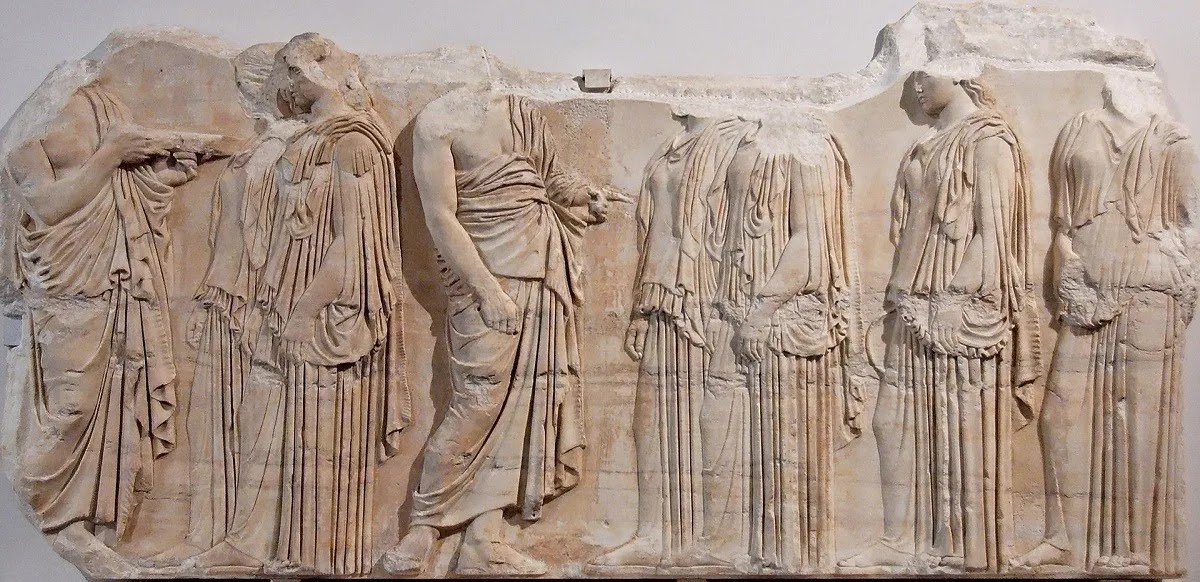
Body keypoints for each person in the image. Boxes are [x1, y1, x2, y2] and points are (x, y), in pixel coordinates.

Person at [381, 88, 628, 576]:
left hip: (540, 271)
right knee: (478, 401)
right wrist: (487, 290)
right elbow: (439, 214)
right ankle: (423, 527)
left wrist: (584, 194)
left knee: (527, 406)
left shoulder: (518, 111)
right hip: (483, 279)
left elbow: (551, 176)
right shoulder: (438, 121)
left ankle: (483, 540)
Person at [192, 33, 409, 576]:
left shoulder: (355, 144)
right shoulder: (307, 141)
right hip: (282, 303)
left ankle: (315, 556)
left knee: (316, 436)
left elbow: (354, 244)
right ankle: (250, 543)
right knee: (260, 419)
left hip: (324, 314)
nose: (284, 84)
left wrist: (306, 311)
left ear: (317, 70)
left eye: (290, 71)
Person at [5, 83, 221, 567]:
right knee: (73, 406)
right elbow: (47, 206)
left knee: (120, 397)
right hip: (67, 283)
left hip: (118, 277)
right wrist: (113, 152)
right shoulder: (32, 131)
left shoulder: (103, 101)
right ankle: (57, 515)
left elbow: (118, 190)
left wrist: (161, 181)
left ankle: (98, 522)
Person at [839, 68, 1041, 573]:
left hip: (957, 306)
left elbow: (993, 236)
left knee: (957, 430)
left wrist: (953, 300)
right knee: (891, 422)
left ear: (960, 73)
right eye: (911, 78)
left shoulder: (989, 142)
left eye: (925, 75)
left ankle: (959, 547)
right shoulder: (927, 144)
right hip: (913, 300)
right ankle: (899, 539)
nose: (915, 87)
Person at [1013, 75, 1197, 576]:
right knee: (1058, 414)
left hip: (1149, 288)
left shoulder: (1173, 142)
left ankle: (1135, 548)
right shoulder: (1079, 128)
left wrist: (1181, 296)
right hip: (1085, 291)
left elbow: (1192, 227)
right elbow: (1061, 224)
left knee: (1139, 420)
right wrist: (1068, 275)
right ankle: (1061, 538)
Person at [589, 113, 754, 572]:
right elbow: (656, 231)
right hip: (663, 293)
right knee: (650, 417)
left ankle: (707, 542)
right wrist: (642, 306)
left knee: (705, 420)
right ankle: (653, 534)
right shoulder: (673, 143)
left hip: (708, 296)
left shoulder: (738, 136)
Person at [698, 121, 861, 573]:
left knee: (784, 443)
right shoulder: (744, 136)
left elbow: (809, 244)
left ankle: (789, 558)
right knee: (716, 422)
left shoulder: (809, 147)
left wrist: (762, 311)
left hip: (781, 322)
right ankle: (732, 545)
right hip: (739, 309)